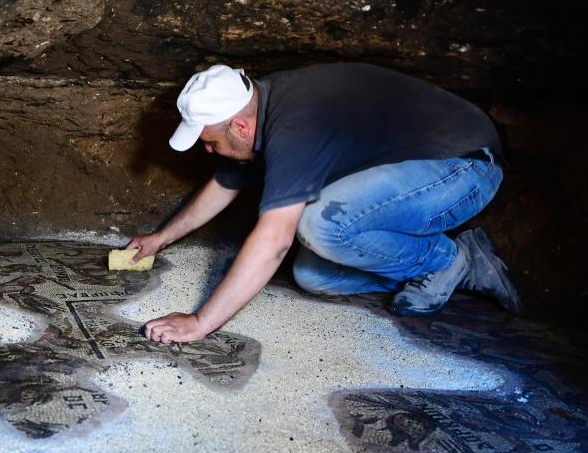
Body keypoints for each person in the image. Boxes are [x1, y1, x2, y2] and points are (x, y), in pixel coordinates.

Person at [128, 63, 523, 346]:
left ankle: (449, 260)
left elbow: (275, 240)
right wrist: (160, 239)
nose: (210, 151)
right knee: (314, 276)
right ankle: (438, 263)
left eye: (211, 142)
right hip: (410, 178)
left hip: (466, 168)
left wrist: (200, 323)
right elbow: (225, 182)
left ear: (240, 127)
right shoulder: (257, 111)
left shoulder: (295, 125)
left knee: (321, 224)